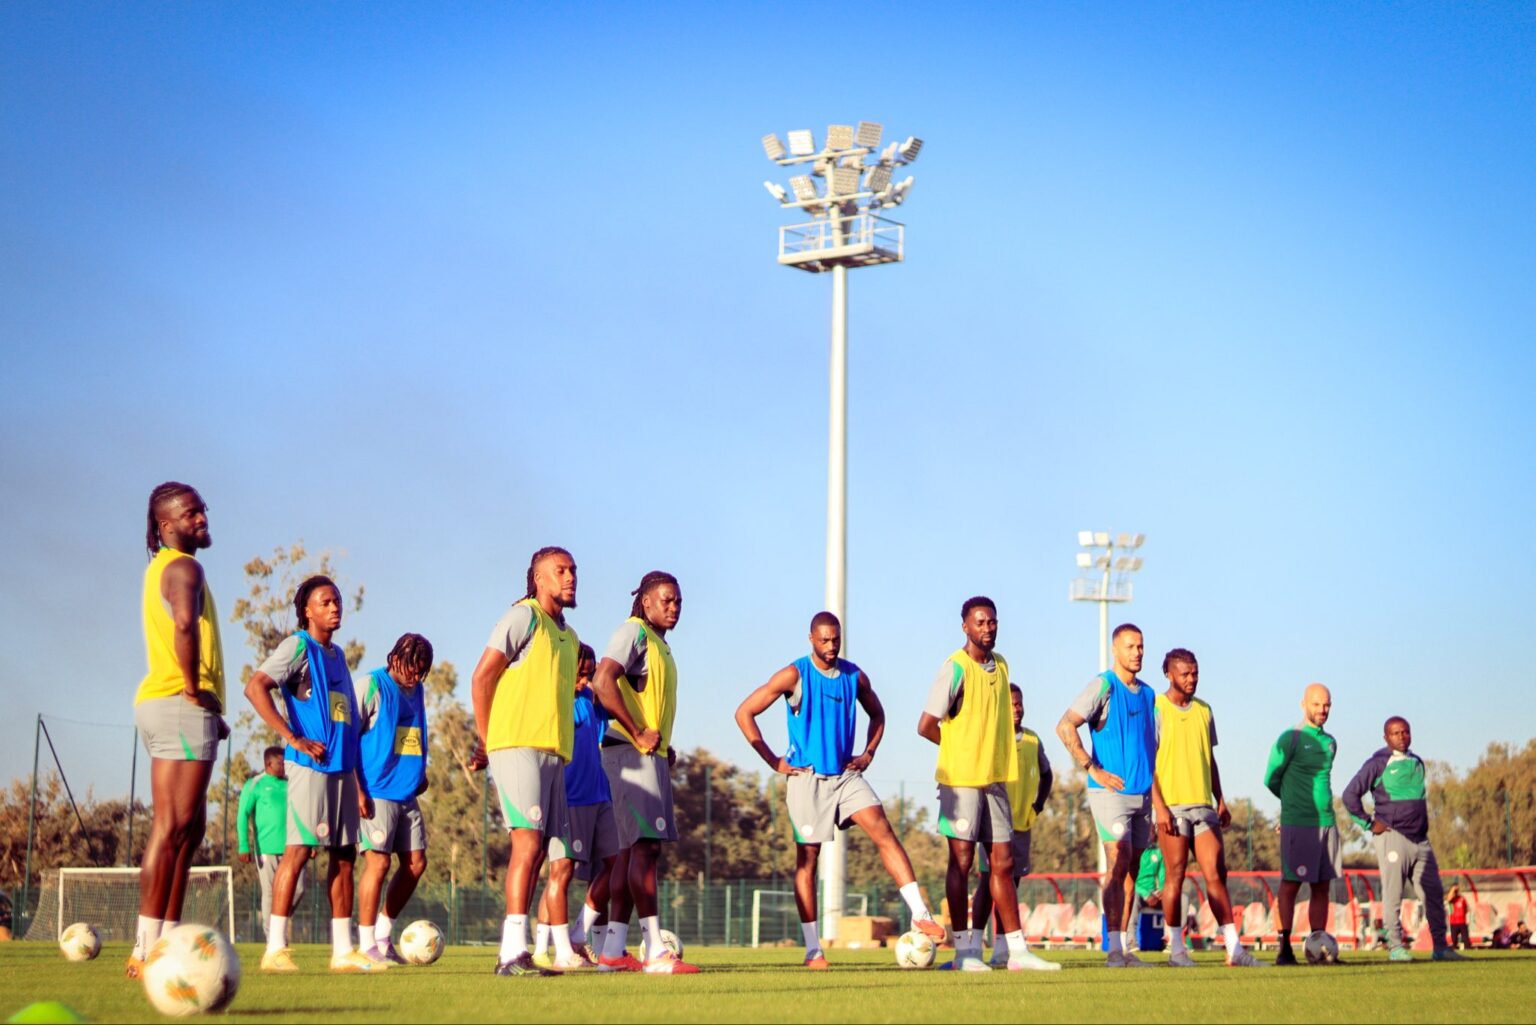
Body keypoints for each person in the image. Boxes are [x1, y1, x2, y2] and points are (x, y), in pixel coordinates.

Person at [735, 611, 948, 970]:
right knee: (808, 859)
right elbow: (744, 712)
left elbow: (878, 714)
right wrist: (773, 760)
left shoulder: (854, 676)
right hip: (807, 778)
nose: (831, 646)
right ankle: (813, 950)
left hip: (846, 778)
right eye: (824, 640)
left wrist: (868, 753)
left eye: (836, 639)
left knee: (883, 829)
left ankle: (920, 913)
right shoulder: (794, 674)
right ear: (811, 639)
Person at [245, 575, 380, 972]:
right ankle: (275, 949)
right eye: (325, 602)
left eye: (337, 601)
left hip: (342, 769)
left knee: (345, 857)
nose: (334, 607)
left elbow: (345, 719)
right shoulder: (297, 646)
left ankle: (343, 951)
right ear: (307, 610)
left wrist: (358, 782)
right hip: (310, 767)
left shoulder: (337, 654)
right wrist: (293, 737)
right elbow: (256, 687)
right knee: (299, 852)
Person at [129, 482, 230, 978]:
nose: (201, 518)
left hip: (177, 708)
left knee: (190, 832)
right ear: (165, 525)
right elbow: (184, 626)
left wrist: (212, 710)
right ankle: (146, 947)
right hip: (177, 704)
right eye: (190, 513)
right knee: (171, 828)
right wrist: (193, 690)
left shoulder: (168, 567)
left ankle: (166, 939)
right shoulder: (184, 567)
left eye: (202, 510)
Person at [471, 547, 581, 978]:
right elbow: (482, 677)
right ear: (539, 578)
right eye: (561, 570)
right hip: (517, 746)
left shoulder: (570, 636)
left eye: (573, 570)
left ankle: (521, 952)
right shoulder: (523, 617)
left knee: (546, 856)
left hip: (553, 754)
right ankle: (510, 955)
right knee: (527, 846)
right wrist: (488, 740)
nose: (570, 577)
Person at [916, 596, 1035, 972]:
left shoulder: (1002, 665)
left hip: (995, 781)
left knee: (1003, 863)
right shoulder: (955, 668)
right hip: (961, 783)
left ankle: (1017, 952)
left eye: (992, 621)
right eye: (980, 622)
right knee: (962, 862)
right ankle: (965, 953)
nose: (987, 628)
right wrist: (960, 753)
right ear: (965, 627)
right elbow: (926, 726)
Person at [591, 571, 700, 974]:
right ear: (646, 601)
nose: (674, 608)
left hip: (646, 755)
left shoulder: (659, 644)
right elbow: (603, 680)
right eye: (666, 600)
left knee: (631, 852)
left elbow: (641, 699)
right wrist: (637, 732)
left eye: (678, 602)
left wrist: (662, 744)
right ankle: (654, 949)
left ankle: (613, 952)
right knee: (645, 850)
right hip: (630, 754)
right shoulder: (633, 631)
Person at [1150, 648, 1263, 967]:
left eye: (1195, 673)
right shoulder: (1156, 707)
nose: (1191, 679)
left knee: (1216, 874)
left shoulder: (1204, 710)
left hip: (1203, 806)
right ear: (1169, 674)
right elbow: (1148, 763)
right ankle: (1176, 950)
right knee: (1175, 875)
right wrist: (1159, 807)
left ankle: (1234, 949)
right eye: (1185, 674)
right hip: (1172, 807)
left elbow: (1208, 757)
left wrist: (1221, 798)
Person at [1056, 623, 1157, 968]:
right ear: (1115, 650)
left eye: (1140, 646)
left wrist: (1156, 799)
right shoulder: (1104, 685)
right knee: (1118, 859)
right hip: (1109, 793)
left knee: (1133, 869)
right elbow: (1065, 725)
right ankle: (1113, 949)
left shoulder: (1149, 694)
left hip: (1143, 796)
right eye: (1130, 646)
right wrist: (1091, 767)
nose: (1137, 652)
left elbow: (1152, 749)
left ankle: (1124, 948)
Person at [1341, 716, 1467, 963]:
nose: (1401, 736)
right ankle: (1396, 947)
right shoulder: (1377, 763)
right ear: (1386, 737)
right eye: (1395, 733)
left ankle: (1441, 947)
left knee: (1433, 893)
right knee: (1393, 894)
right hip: (1392, 837)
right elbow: (1349, 795)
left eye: (1405, 732)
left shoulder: (1417, 762)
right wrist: (1369, 823)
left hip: (1421, 840)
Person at [533, 643, 620, 970]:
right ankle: (552, 950)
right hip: (569, 799)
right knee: (561, 872)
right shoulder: (552, 700)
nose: (584, 681)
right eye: (580, 674)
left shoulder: (591, 700)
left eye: (589, 674)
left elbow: (616, 708)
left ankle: (579, 934)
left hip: (601, 796)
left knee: (617, 865)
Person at [355, 633, 435, 964]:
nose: (415, 675)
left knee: (416, 863)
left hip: (407, 793)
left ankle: (383, 936)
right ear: (395, 658)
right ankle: (365, 945)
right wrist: (357, 789)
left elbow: (413, 734)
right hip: (376, 790)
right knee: (378, 863)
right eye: (411, 667)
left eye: (421, 670)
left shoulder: (418, 690)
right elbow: (348, 736)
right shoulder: (371, 685)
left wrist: (419, 771)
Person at [971, 684, 1059, 970]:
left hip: (1021, 824)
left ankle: (1001, 947)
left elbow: (1047, 775)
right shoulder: (993, 737)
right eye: (1011, 705)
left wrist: (1038, 805)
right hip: (993, 824)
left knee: (1011, 884)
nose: (1017, 709)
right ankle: (974, 944)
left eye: (1019, 704)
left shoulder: (1032, 740)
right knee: (988, 883)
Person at [1262, 683, 1339, 967]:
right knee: (1291, 884)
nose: (1322, 710)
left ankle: (1319, 946)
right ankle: (1284, 949)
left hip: (1327, 823)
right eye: (1317, 704)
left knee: (1321, 887)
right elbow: (1271, 778)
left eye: (1327, 705)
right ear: (1303, 704)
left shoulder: (1330, 742)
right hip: (1299, 823)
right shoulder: (1290, 738)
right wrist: (1291, 807)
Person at [237, 746, 306, 936]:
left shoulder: (291, 782)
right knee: (269, 893)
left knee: (299, 889)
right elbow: (242, 815)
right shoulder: (255, 784)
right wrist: (243, 845)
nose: (285, 766)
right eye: (281, 763)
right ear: (269, 763)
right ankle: (273, 938)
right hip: (266, 848)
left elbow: (301, 812)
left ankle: (278, 920)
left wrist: (309, 841)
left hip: (294, 847)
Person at [1446, 885, 1471, 950]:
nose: (1456, 892)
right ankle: (1455, 949)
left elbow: (1467, 909)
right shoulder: (1451, 900)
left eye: (1456, 891)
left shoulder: (1462, 898)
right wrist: (1452, 889)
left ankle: (1467, 949)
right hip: (1453, 922)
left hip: (1462, 922)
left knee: (1465, 939)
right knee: (1454, 940)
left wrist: (1466, 918)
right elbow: (1449, 899)